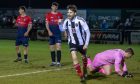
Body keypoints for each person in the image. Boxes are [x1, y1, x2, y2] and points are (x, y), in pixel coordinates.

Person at [63, 5, 90, 83]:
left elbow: (88, 32)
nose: (68, 14)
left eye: (70, 12)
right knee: (74, 57)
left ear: (75, 13)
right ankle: (81, 76)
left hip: (82, 44)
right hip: (72, 43)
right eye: (68, 12)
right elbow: (64, 28)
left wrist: (86, 44)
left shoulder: (80, 20)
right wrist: (65, 33)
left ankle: (85, 69)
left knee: (84, 58)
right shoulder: (66, 21)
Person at [45, 2, 63, 66]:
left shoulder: (60, 15)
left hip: (58, 34)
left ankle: (58, 62)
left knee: (58, 47)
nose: (54, 7)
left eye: (56, 6)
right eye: (53, 6)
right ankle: (53, 62)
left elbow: (61, 25)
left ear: (57, 7)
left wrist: (63, 30)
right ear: (51, 7)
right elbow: (47, 24)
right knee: (52, 48)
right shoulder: (48, 15)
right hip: (51, 34)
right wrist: (49, 31)